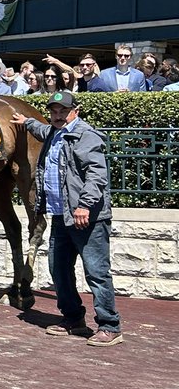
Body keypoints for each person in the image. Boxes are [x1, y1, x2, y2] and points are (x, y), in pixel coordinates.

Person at [12, 92, 122, 346]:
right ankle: (73, 319)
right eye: (54, 111)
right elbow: (41, 129)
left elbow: (96, 174)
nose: (58, 116)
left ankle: (110, 325)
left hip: (87, 217)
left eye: (63, 111)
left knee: (96, 272)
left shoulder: (86, 135)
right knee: (58, 269)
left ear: (76, 110)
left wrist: (84, 205)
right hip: (61, 216)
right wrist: (27, 121)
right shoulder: (53, 131)